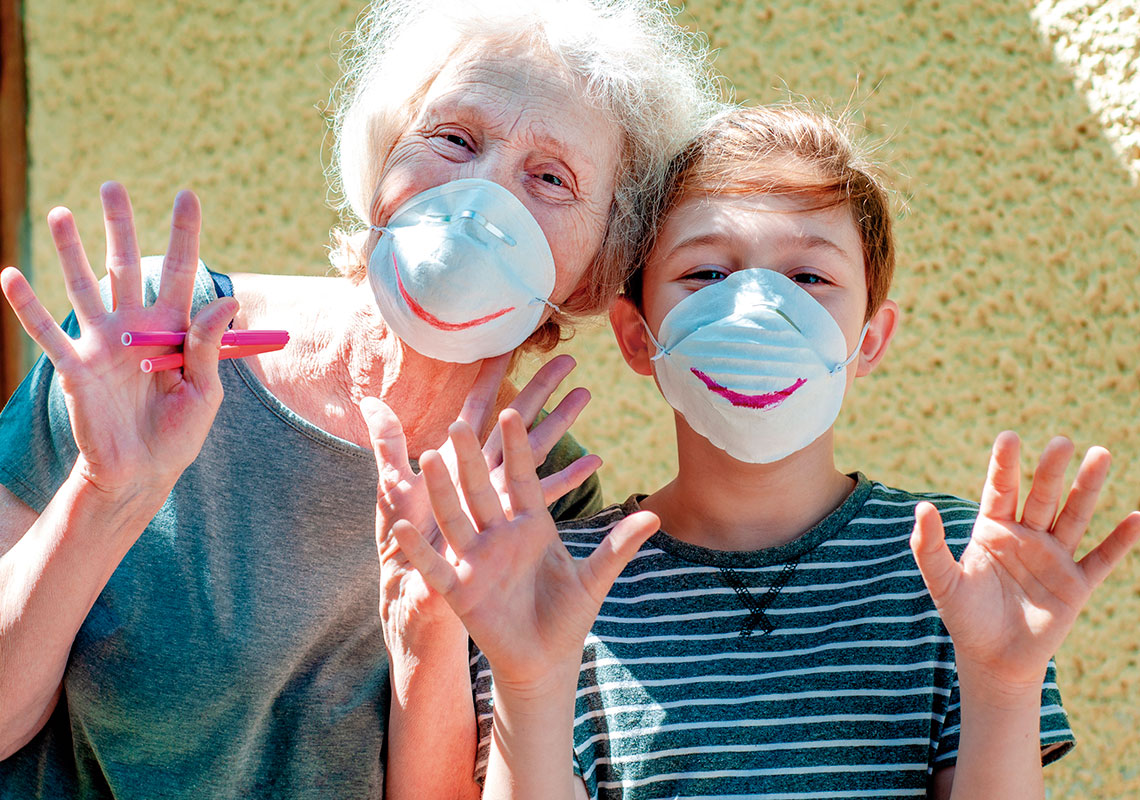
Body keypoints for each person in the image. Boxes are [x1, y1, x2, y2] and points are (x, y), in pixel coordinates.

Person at [0, 1, 719, 797]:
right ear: (383, 164)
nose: (481, 199)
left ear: (594, 267)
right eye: (454, 139)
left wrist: (428, 637)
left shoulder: (537, 488)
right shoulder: (155, 349)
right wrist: (106, 497)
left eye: (549, 179)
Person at [389, 105, 1140, 799]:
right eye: (706, 274)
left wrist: (1004, 684)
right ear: (636, 336)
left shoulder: (956, 567)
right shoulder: (551, 577)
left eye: (809, 277)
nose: (753, 308)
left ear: (870, 340)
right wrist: (530, 681)